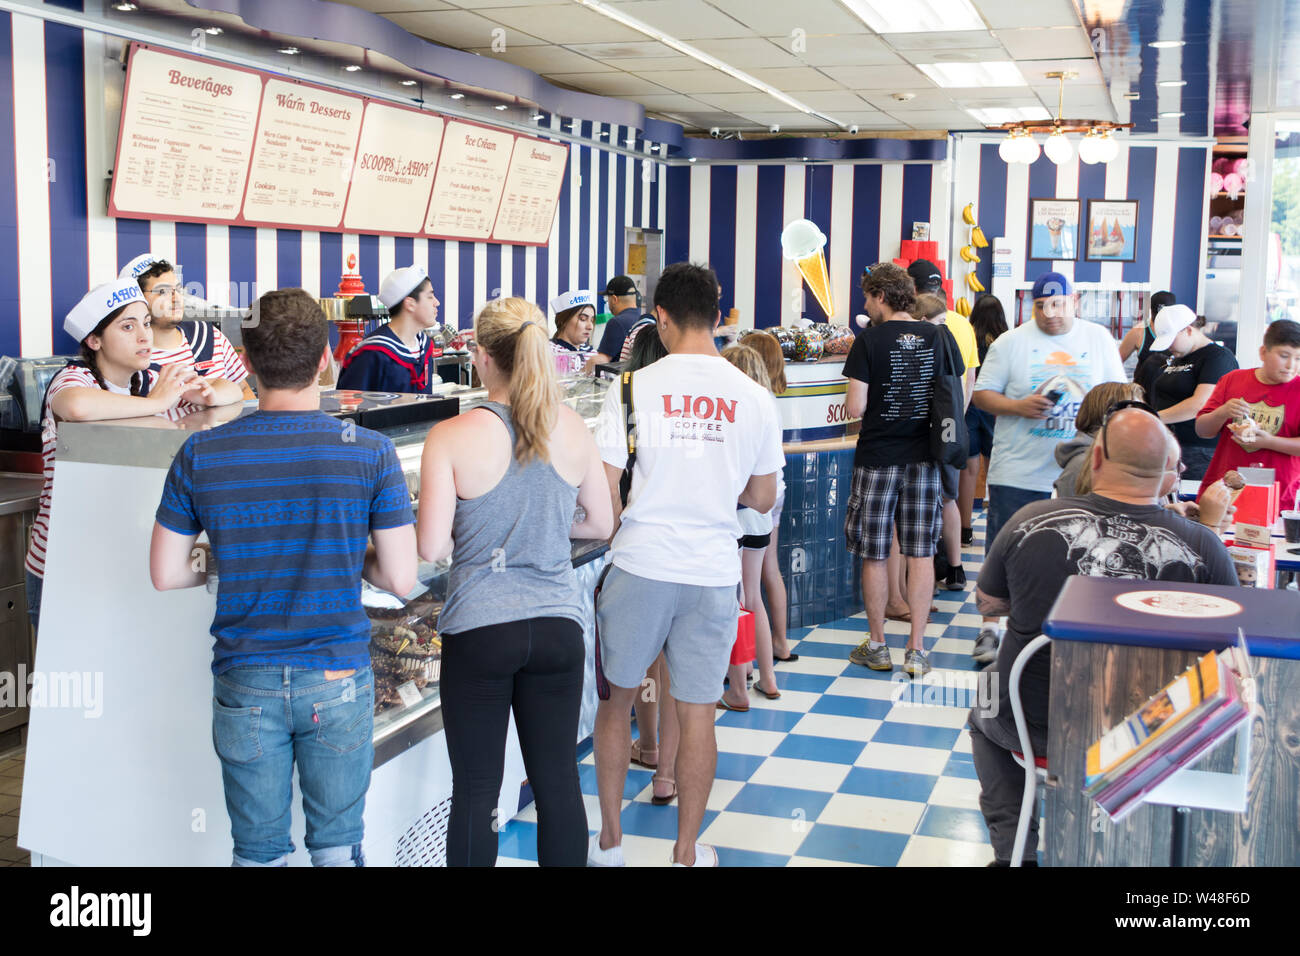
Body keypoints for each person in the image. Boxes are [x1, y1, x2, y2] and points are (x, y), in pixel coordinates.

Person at [150, 288, 418, 867]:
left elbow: (167, 573)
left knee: (258, 852)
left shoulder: (202, 453)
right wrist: (352, 556)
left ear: (245, 364)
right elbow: (400, 577)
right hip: (339, 675)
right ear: (325, 358)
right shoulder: (369, 451)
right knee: (337, 846)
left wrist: (229, 557)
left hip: (246, 679)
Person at [970, 405, 1237, 865]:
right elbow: (1229, 644)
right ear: (1169, 477)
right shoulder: (1201, 545)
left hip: (1038, 725)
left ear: (1094, 460)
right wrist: (1208, 527)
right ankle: (1129, 837)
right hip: (1147, 731)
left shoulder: (1029, 521)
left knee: (987, 696)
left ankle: (1014, 851)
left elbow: (991, 604)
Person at [589, 262, 782, 868]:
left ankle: (612, 843)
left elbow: (606, 494)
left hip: (640, 563)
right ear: (720, 315)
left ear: (661, 318)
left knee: (616, 704)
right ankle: (687, 851)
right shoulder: (753, 397)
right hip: (711, 571)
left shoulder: (630, 389)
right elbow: (763, 497)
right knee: (699, 712)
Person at [417, 297, 613, 867]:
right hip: (556, 629)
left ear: (481, 357)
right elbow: (601, 522)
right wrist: (549, 524)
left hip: (481, 630)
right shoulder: (571, 427)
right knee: (557, 783)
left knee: (477, 793)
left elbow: (431, 547)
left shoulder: (451, 435)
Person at [25, 279, 215, 635]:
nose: (145, 336)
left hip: (115, 561)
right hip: (61, 565)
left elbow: (228, 390)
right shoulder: (74, 378)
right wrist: (158, 403)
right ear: (94, 341)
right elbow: (76, 406)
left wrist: (205, 391)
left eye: (146, 323)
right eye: (128, 327)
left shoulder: (144, 380)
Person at [970, 272, 1126, 665]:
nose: (1050, 313)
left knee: (1081, 549)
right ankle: (991, 627)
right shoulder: (1011, 342)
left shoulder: (1098, 339)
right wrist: (1017, 406)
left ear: (1075, 302)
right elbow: (982, 394)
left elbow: (1120, 395)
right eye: (1041, 305)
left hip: (1083, 469)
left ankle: (1070, 626)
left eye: (1058, 304)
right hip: (1019, 467)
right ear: (1031, 305)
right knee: (1006, 548)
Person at [842, 263, 963, 679]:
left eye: (866, 297)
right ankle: (916, 650)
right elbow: (952, 395)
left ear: (879, 296)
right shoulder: (938, 336)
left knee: (875, 554)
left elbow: (855, 408)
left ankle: (878, 646)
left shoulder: (868, 341)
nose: (864, 305)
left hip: (877, 458)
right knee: (921, 553)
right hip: (925, 458)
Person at [717, 343, 785, 709]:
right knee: (752, 597)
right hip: (761, 518)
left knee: (735, 600)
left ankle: (738, 684)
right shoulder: (766, 408)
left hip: (741, 513)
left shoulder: (734, 414)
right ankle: (768, 678)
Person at [121, 253, 254, 402]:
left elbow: (243, 389)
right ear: (137, 299)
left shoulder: (210, 336)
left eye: (178, 289)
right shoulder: (127, 358)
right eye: (162, 292)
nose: (176, 298)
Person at [1195, 318, 1300, 506]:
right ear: (1263, 352)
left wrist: (1269, 442)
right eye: (1284, 356)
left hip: (1279, 496)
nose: (1291, 365)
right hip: (1225, 492)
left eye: (1298, 358)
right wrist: (1222, 412)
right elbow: (1202, 430)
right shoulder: (1233, 380)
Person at [1130, 305, 1239, 482]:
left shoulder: (1217, 358)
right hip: (1171, 444)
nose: (1169, 346)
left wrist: (1153, 417)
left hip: (1198, 449)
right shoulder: (1179, 356)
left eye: (1171, 339)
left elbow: (1200, 404)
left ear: (1188, 330)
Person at [913, 289, 977, 590]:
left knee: (920, 506)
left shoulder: (921, 346)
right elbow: (967, 380)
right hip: (951, 429)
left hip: (924, 434)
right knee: (948, 499)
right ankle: (955, 568)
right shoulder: (954, 336)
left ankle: (920, 574)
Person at [743, 330, 796, 663]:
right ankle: (780, 642)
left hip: (754, 496)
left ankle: (744, 662)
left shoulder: (752, 402)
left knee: (746, 587)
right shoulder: (770, 401)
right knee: (770, 570)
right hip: (776, 490)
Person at [336, 264, 442, 393]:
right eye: (430, 296)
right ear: (410, 303)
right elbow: (351, 407)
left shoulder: (424, 346)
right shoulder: (372, 353)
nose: (437, 303)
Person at [959, 294, 1008, 546]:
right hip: (995, 409)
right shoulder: (1005, 341)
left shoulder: (968, 337)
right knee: (995, 471)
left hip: (968, 408)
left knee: (968, 471)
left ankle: (964, 529)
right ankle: (997, 531)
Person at [1053, 381, 1146, 498]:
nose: (1144, 418)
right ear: (1109, 415)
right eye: (1135, 412)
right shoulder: (1083, 465)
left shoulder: (1121, 455)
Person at [587, 275, 644, 370]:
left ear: (614, 299)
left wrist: (580, 374)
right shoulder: (643, 319)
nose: (607, 303)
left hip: (620, 380)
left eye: (607, 299)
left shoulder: (617, 323)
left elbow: (601, 360)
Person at [1118, 290, 1177, 366]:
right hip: (1144, 377)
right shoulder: (1138, 332)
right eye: (1158, 316)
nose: (1161, 320)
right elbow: (1115, 363)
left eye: (1165, 316)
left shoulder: (1181, 332)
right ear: (1151, 311)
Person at [549, 289, 597, 359]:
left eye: (592, 320)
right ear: (564, 321)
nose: (590, 327)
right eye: (583, 319)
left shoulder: (592, 354)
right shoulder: (548, 351)